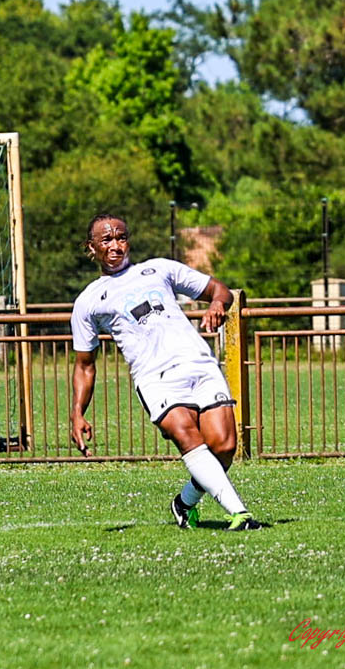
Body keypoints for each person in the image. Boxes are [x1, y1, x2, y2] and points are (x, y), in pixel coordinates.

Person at [69, 213, 264, 531]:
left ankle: (184, 503)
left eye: (121, 237)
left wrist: (217, 305)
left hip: (199, 363)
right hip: (154, 377)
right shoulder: (88, 301)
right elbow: (84, 365)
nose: (116, 245)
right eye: (107, 239)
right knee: (187, 434)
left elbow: (219, 290)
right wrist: (78, 412)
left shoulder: (160, 268)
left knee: (224, 446)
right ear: (91, 247)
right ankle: (240, 514)